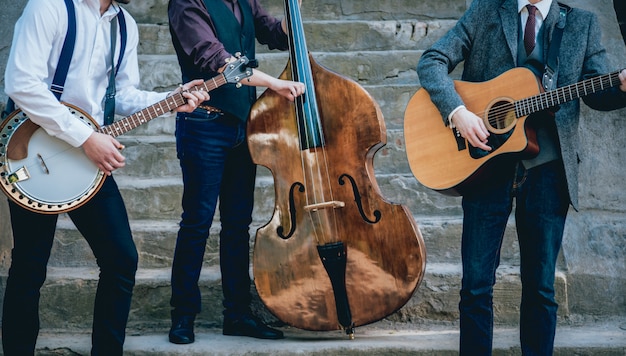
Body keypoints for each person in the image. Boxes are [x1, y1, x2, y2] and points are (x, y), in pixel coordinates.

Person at [415, 0, 626, 355]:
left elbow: (596, 91)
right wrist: (458, 112)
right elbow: (432, 60)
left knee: (541, 288)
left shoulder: (581, 24)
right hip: (485, 167)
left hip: (547, 170)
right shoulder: (486, 10)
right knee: (476, 286)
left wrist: (620, 85)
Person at [2, 0, 209, 354]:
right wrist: (85, 137)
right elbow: (21, 83)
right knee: (30, 265)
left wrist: (170, 99)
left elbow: (123, 93)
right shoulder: (49, 6)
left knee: (121, 259)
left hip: (87, 159)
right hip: (33, 149)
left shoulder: (124, 24)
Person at [167, 0, 305, 344]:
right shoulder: (186, 4)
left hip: (243, 125)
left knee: (237, 224)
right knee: (197, 222)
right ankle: (183, 316)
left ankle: (238, 314)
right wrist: (274, 83)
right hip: (203, 124)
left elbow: (275, 33)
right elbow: (218, 61)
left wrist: (293, 13)